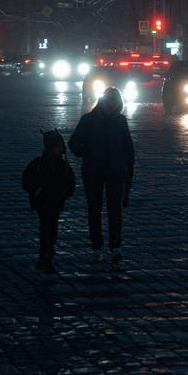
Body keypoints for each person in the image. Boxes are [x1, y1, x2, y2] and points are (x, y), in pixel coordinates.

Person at [69, 87, 135, 263]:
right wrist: (86, 151)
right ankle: (96, 247)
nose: (110, 105)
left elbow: (128, 147)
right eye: (108, 102)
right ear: (103, 102)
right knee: (94, 210)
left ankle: (115, 246)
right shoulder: (88, 120)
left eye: (114, 102)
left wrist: (129, 170)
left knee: (115, 210)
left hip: (116, 172)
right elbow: (73, 142)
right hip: (93, 172)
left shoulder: (121, 121)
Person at [22, 129, 76, 274]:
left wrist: (65, 193)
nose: (59, 150)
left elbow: (71, 182)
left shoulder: (63, 164)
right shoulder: (38, 163)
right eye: (56, 147)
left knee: (52, 228)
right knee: (46, 227)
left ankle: (48, 253)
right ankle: (45, 254)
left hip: (57, 202)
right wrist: (36, 190)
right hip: (43, 202)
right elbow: (26, 180)